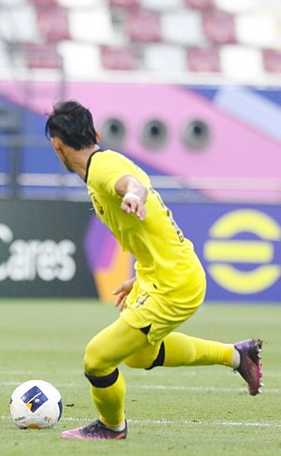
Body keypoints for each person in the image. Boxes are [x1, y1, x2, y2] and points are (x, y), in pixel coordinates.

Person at [45, 100, 263, 440]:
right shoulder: (103, 164)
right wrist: (139, 273)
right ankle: (237, 356)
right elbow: (146, 222)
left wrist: (134, 195)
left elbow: (133, 186)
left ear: (57, 145)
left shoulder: (102, 169)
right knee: (138, 356)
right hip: (162, 273)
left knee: (97, 359)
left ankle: (112, 427)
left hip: (173, 284)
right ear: (96, 134)